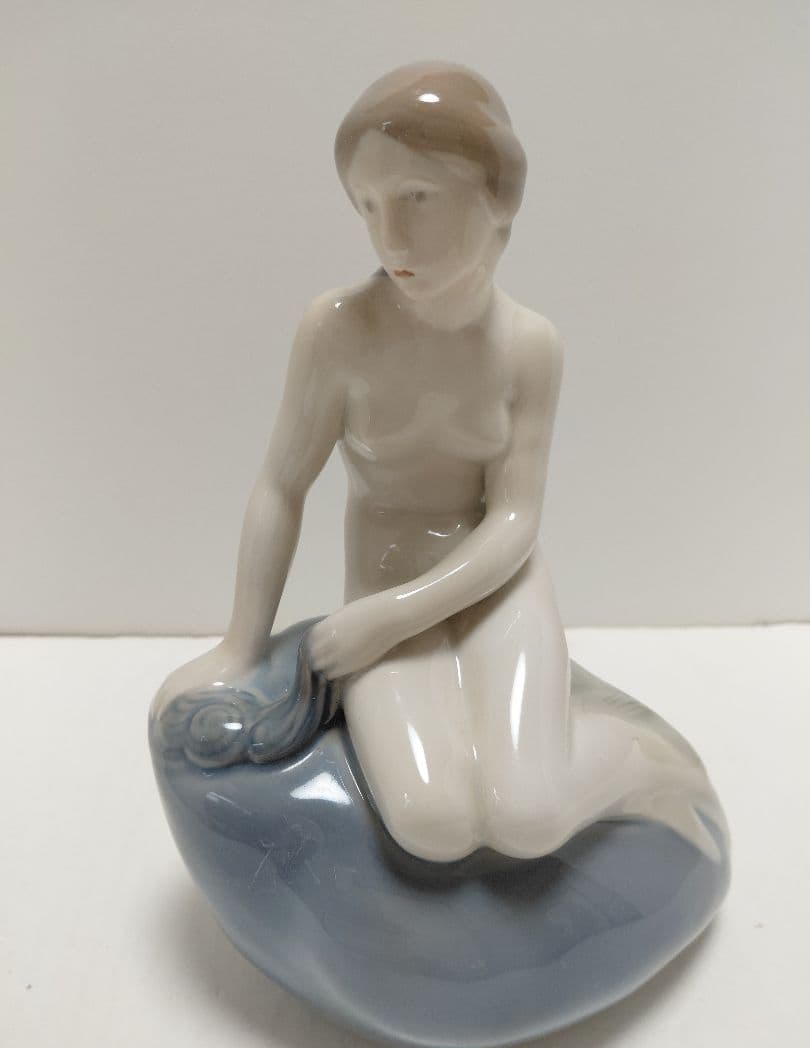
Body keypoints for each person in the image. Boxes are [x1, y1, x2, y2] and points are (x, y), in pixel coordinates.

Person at [154, 62, 725, 863]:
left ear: (497, 199)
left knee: (528, 819)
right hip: (386, 568)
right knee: (433, 824)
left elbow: (515, 519)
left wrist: (386, 620)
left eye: (417, 198)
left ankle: (636, 759)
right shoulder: (338, 331)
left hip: (495, 585)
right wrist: (241, 644)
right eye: (367, 206)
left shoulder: (529, 346)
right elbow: (282, 486)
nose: (389, 237)